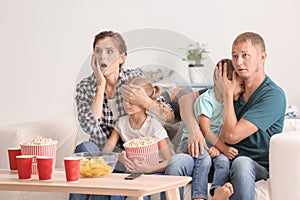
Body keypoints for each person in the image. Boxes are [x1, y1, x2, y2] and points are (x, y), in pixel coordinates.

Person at [72, 30, 174, 200]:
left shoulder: (133, 79)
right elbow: (89, 126)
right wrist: (100, 84)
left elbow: (168, 117)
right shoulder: (85, 86)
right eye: (98, 51)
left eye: (109, 51)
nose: (103, 57)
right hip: (105, 155)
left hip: (134, 159)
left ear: (122, 57)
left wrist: (146, 102)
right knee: (84, 150)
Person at [217, 31, 286, 200]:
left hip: (256, 165)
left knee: (242, 162)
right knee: (182, 162)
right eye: (234, 56)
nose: (239, 62)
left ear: (262, 57)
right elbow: (187, 100)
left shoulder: (273, 95)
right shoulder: (235, 86)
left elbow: (232, 136)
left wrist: (227, 94)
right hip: (224, 161)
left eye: (245, 55)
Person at [179, 59, 244, 200]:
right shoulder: (206, 99)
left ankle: (217, 191)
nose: (243, 89)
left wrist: (219, 148)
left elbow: (223, 129)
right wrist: (223, 148)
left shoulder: (228, 105)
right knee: (204, 158)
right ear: (226, 81)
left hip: (213, 143)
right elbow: (205, 129)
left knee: (223, 161)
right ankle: (199, 196)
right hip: (193, 141)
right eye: (240, 85)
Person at [102, 76, 173, 200]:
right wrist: (119, 157)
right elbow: (105, 152)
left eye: (133, 100)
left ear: (144, 101)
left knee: (141, 193)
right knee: (116, 194)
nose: (128, 104)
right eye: (125, 99)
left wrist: (148, 169)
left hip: (156, 169)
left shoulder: (154, 127)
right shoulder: (121, 124)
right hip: (134, 170)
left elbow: (169, 160)